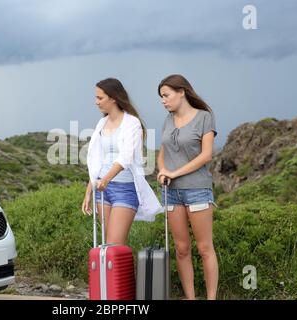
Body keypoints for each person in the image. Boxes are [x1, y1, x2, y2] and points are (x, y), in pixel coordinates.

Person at [156, 74, 219, 300]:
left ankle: (211, 298)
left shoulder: (204, 118)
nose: (163, 101)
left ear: (181, 92)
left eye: (166, 95)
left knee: (204, 248)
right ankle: (190, 298)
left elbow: (206, 156)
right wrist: (163, 171)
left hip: (197, 190)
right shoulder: (167, 120)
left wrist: (175, 173)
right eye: (161, 97)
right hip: (172, 193)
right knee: (182, 250)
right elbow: (162, 154)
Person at [82, 78, 162, 245]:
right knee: (106, 245)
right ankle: (113, 273)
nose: (96, 102)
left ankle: (125, 272)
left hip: (124, 188)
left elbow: (126, 157)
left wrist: (106, 179)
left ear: (113, 98)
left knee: (114, 245)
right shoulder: (101, 123)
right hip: (102, 190)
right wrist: (89, 190)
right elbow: (96, 161)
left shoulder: (132, 123)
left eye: (100, 98)